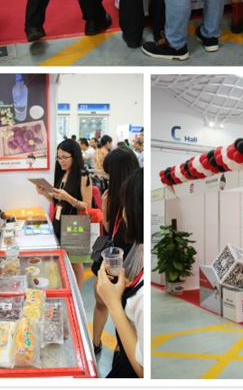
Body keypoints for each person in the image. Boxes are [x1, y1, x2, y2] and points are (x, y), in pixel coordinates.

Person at [91, 148, 139, 359]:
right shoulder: (114, 196)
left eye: (110, 174)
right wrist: (105, 207)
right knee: (101, 301)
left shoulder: (134, 201)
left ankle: (123, 348)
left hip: (125, 265)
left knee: (123, 310)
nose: (107, 179)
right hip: (109, 257)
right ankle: (95, 341)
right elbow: (110, 230)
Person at [97, 168, 144, 378]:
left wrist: (113, 302)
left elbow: (143, 370)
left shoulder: (143, 297)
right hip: (124, 355)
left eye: (126, 206)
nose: (124, 213)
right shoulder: (140, 254)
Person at [35, 138, 92, 289]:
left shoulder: (83, 176)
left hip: (75, 223)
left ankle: (77, 294)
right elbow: (57, 202)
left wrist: (68, 197)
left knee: (76, 263)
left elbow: (87, 205)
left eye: (64, 157)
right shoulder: (62, 174)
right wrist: (45, 193)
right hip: (60, 220)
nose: (61, 161)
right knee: (64, 258)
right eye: (59, 158)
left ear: (75, 156)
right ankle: (68, 289)